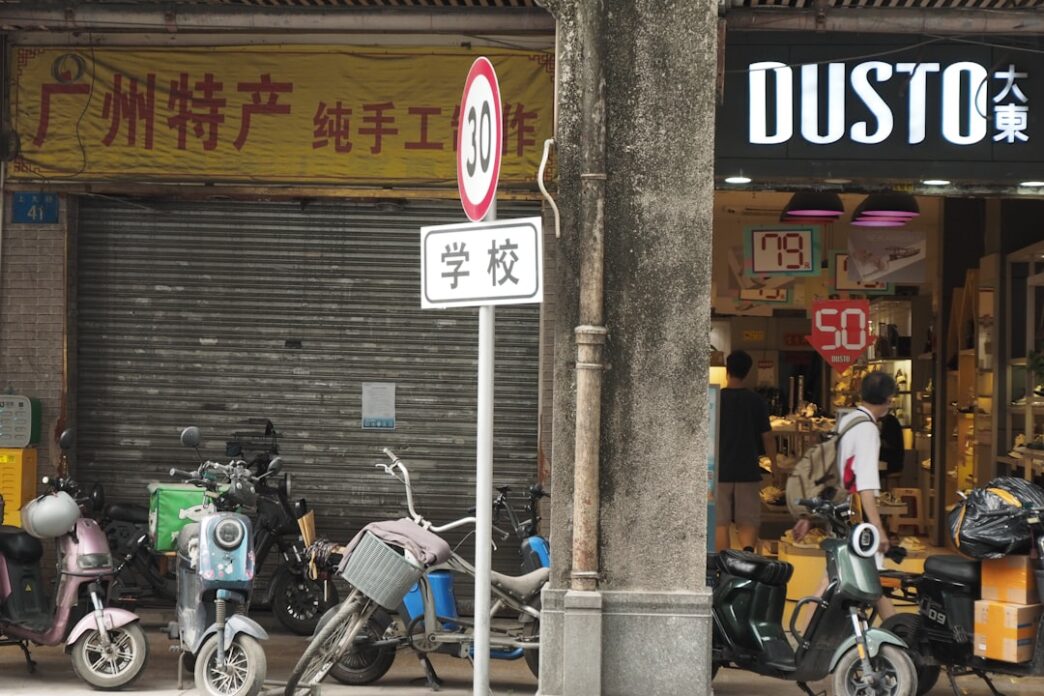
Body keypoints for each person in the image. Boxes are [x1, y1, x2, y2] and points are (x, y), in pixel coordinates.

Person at [793, 371, 897, 620]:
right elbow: (865, 484)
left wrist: (810, 516)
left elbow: (828, 472)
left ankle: (805, 633)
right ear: (888, 399)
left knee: (836, 577)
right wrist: (878, 528)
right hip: (856, 515)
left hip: (839, 512)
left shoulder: (847, 421)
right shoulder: (868, 429)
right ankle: (899, 635)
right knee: (870, 578)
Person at [716, 350, 776, 552]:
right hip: (748, 469)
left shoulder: (716, 399)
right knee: (748, 520)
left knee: (720, 522)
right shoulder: (756, 401)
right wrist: (774, 465)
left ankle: (723, 563)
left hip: (720, 470)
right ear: (748, 372)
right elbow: (767, 437)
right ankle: (747, 556)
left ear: (727, 370)